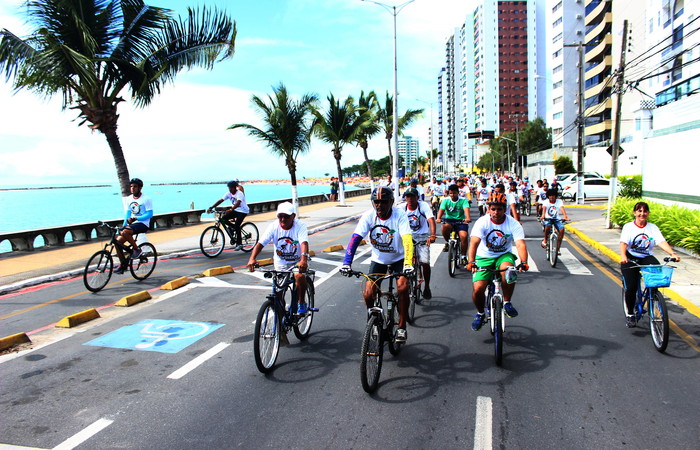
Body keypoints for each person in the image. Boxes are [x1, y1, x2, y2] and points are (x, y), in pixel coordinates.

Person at [340, 187, 414, 343]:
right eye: (376, 202)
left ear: (391, 202)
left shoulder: (399, 215)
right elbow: (355, 239)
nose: (379, 205)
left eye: (383, 202)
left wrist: (408, 263)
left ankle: (401, 326)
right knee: (368, 293)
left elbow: (407, 239)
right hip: (378, 260)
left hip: (399, 259)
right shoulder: (369, 216)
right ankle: (373, 321)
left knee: (402, 287)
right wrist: (347, 263)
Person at [467, 192, 529, 331]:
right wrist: (471, 261)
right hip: (484, 257)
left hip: (504, 255)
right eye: (493, 209)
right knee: (478, 289)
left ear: (505, 209)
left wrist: (524, 261)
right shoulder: (482, 222)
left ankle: (507, 302)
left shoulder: (512, 223)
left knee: (509, 271)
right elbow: (474, 243)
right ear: (488, 209)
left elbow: (520, 244)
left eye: (499, 209)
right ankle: (480, 313)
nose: (496, 212)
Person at [619, 201, 680, 328]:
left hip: (646, 257)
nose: (642, 214)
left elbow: (661, 241)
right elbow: (624, 243)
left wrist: (672, 253)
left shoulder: (652, 228)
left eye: (645, 211)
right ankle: (630, 314)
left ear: (648, 213)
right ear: (635, 213)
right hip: (630, 257)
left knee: (657, 276)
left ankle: (653, 296)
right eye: (639, 211)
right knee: (630, 287)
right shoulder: (628, 227)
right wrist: (623, 256)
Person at [247, 202, 311, 314]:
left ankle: (301, 302)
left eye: (286, 216)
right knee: (278, 296)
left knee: (299, 276)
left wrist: (303, 260)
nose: (283, 219)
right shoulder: (273, 226)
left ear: (293, 216)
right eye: (280, 216)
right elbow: (261, 243)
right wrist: (252, 258)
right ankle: (281, 325)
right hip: (280, 263)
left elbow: (304, 243)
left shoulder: (300, 226)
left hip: (297, 262)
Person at [401, 187, 437, 299]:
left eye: (412, 196)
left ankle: (427, 286)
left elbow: (431, 220)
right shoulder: (401, 208)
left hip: (422, 236)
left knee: (425, 262)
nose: (410, 198)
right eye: (408, 196)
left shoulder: (423, 206)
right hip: (407, 236)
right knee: (403, 263)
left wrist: (432, 235)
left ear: (417, 197)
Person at [114, 178, 153, 274]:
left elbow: (150, 214)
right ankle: (123, 265)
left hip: (143, 224)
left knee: (126, 232)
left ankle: (136, 249)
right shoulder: (129, 199)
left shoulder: (146, 199)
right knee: (117, 242)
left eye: (135, 186)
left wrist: (137, 218)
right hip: (132, 224)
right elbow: (127, 214)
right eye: (131, 186)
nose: (132, 188)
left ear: (140, 188)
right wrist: (124, 225)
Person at [207, 180, 250, 250]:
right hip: (235, 210)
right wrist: (211, 207)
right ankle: (231, 228)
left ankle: (239, 244)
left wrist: (230, 209)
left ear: (235, 187)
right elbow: (220, 200)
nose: (230, 189)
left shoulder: (239, 194)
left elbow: (238, 203)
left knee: (237, 226)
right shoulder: (228, 193)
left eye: (231, 188)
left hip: (243, 211)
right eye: (229, 188)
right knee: (223, 219)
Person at [437, 184, 471, 264]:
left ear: (458, 193)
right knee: (444, 227)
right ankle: (448, 242)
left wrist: (468, 218)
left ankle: (463, 256)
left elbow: (466, 209)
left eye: (454, 193)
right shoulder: (445, 200)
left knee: (464, 236)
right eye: (451, 193)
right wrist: (438, 218)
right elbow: (441, 210)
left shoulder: (463, 200)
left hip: (461, 221)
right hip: (449, 220)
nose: (452, 195)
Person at [539, 189, 570, 254]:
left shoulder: (559, 201)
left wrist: (565, 216)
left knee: (561, 230)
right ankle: (545, 239)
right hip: (548, 218)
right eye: (550, 196)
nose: (551, 197)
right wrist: (543, 216)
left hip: (556, 219)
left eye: (553, 196)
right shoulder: (546, 201)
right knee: (548, 226)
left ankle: (558, 249)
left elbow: (562, 208)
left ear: (555, 196)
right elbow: (544, 208)